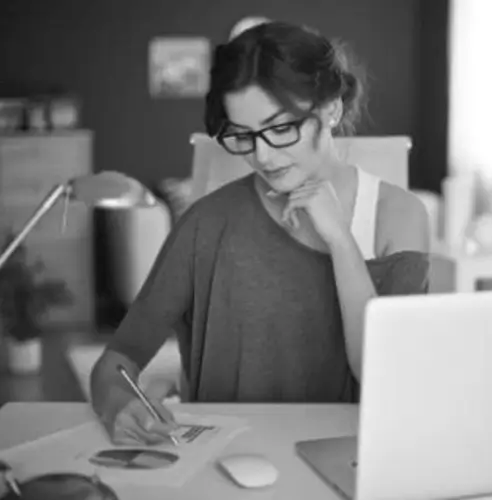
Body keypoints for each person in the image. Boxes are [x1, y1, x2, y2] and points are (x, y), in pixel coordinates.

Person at [90, 20, 431, 446]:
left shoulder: (398, 216)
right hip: (222, 464)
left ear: (331, 108)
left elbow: (389, 381)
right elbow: (117, 360)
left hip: (350, 466)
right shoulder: (206, 223)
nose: (263, 155)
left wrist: (341, 241)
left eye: (281, 128)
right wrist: (119, 404)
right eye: (244, 136)